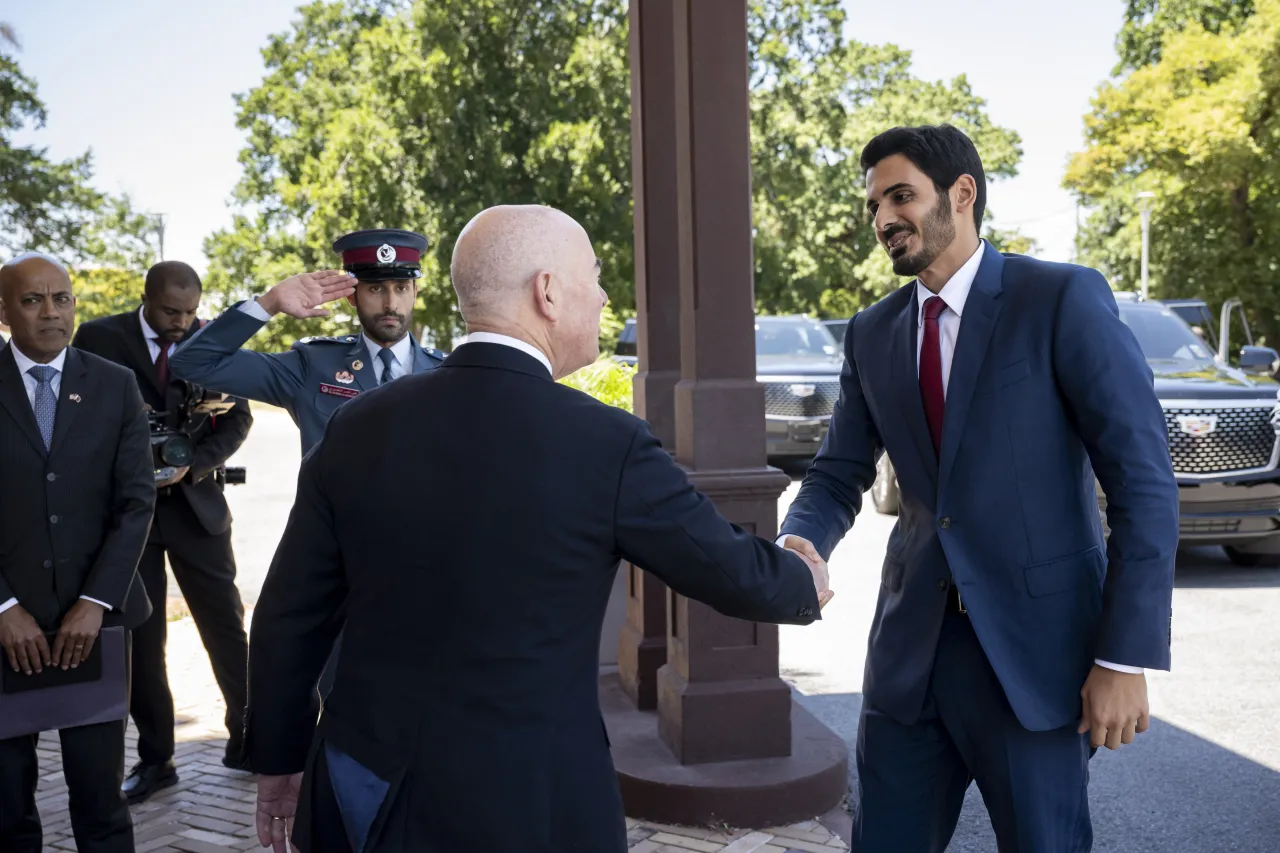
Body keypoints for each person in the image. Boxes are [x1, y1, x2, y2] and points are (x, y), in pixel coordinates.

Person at [242, 204, 833, 853]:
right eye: (596, 275)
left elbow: (287, 616)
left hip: (363, 790)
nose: (606, 295)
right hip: (530, 803)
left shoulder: (357, 427)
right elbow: (735, 574)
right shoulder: (606, 443)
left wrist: (278, 759)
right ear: (547, 291)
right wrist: (801, 574)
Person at [777, 125, 1179, 852]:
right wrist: (800, 538)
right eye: (874, 205)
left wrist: (1124, 656)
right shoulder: (872, 331)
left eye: (902, 196)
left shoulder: (1060, 299)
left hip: (1036, 663)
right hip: (910, 660)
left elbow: (1143, 481)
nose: (883, 218)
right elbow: (839, 471)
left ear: (962, 194)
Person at [71, 260, 254, 803]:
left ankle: (250, 738)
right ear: (146, 299)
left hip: (196, 507)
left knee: (225, 627)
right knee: (142, 643)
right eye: (172, 312)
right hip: (130, 515)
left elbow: (239, 418)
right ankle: (157, 760)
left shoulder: (211, 338)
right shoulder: (99, 337)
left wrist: (192, 461)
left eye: (192, 311)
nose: (183, 323)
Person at [0, 253, 156, 853]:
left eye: (61, 298)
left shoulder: (115, 385)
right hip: (6, 630)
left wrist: (94, 602)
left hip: (95, 625)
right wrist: (4, 607)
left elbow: (136, 503)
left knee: (101, 802)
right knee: (7, 807)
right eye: (33, 300)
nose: (51, 313)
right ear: (5, 311)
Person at [168, 229, 447, 456]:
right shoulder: (312, 366)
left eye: (401, 288)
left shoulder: (449, 374)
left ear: (415, 292)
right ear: (352, 296)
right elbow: (192, 363)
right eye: (375, 289)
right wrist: (268, 304)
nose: (390, 304)